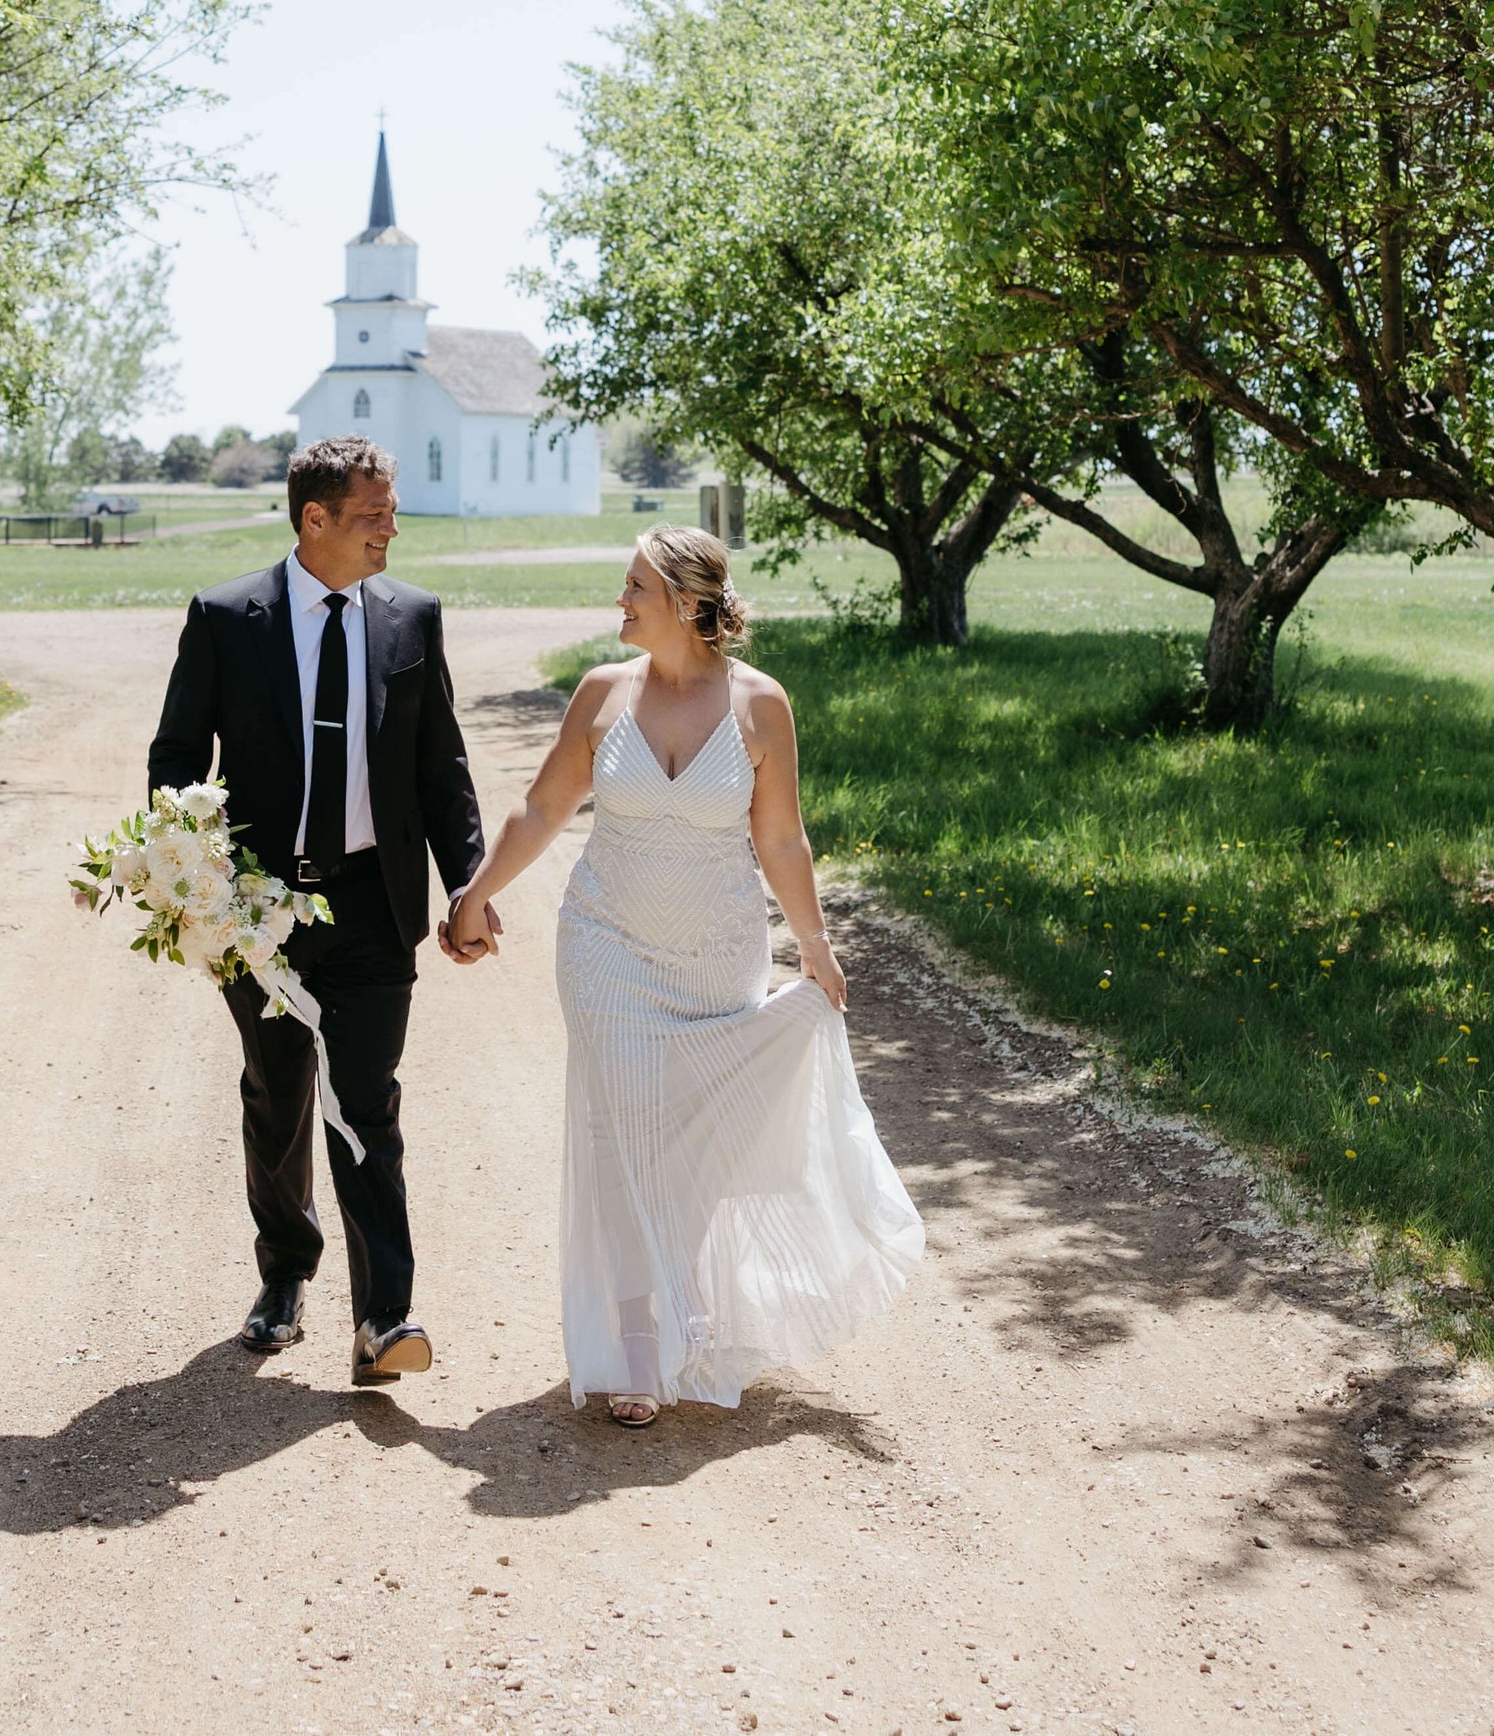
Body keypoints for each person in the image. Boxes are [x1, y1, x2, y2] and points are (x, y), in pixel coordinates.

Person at [444, 524, 921, 1426]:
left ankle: (681, 1288)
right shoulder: (600, 694)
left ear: (688, 604)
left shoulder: (760, 704)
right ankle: (634, 1343)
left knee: (693, 1141)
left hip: (717, 956)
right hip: (605, 947)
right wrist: (474, 896)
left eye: (634, 588)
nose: (618, 602)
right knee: (624, 1136)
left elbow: (779, 836)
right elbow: (543, 807)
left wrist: (812, 943)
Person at [147, 432, 491, 1383]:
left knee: (368, 1102)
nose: (391, 529)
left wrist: (467, 882)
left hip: (376, 904)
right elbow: (176, 758)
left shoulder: (411, 618)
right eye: (373, 514)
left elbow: (441, 767)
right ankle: (285, 1274)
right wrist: (197, 875)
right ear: (316, 518)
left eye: (390, 512)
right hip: (260, 909)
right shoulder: (227, 618)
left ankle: (384, 1317)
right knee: (279, 1091)